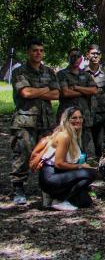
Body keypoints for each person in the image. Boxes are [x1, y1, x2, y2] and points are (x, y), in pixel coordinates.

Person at [10, 40, 60, 205]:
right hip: (25, 121)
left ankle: (46, 187)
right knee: (23, 154)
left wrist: (37, 91)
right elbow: (25, 92)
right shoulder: (19, 72)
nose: (38, 53)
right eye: (34, 50)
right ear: (28, 52)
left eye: (41, 50)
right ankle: (18, 188)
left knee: (47, 154)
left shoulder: (49, 72)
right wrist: (46, 89)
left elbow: (56, 95)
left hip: (46, 121)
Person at [38, 107, 97, 211]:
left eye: (80, 118)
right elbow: (59, 164)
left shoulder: (75, 135)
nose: (78, 121)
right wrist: (80, 166)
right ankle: (59, 199)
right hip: (50, 176)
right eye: (74, 118)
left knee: (85, 202)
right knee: (91, 173)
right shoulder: (64, 136)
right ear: (66, 120)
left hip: (61, 174)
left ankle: (54, 197)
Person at [57, 48, 98, 156]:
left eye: (78, 56)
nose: (75, 58)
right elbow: (65, 93)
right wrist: (85, 91)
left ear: (82, 58)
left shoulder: (86, 75)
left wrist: (76, 87)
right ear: (68, 58)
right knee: (67, 147)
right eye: (73, 56)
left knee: (88, 149)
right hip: (68, 116)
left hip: (84, 116)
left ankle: (89, 168)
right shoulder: (62, 74)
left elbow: (94, 90)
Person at [84, 45, 105, 158]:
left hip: (102, 113)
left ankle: (102, 165)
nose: (95, 56)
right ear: (87, 55)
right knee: (87, 142)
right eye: (92, 53)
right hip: (86, 113)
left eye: (97, 53)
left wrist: (101, 101)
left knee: (101, 142)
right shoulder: (82, 73)